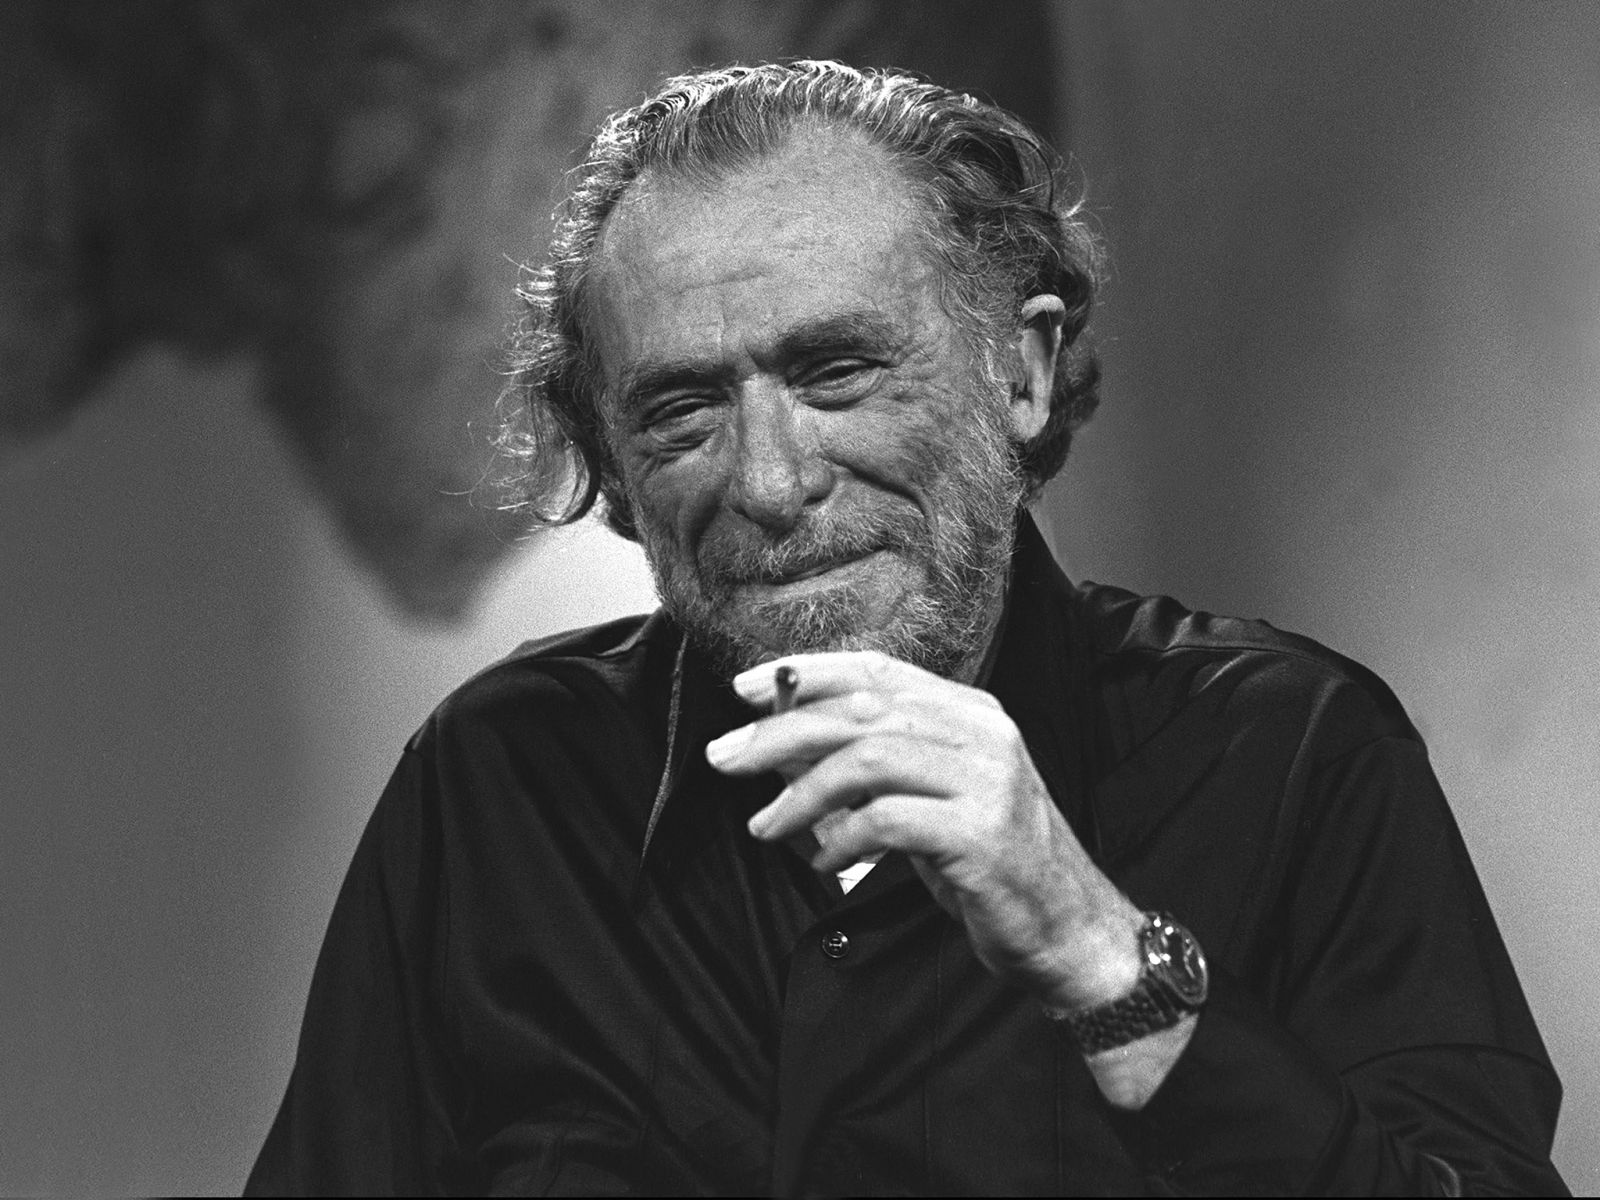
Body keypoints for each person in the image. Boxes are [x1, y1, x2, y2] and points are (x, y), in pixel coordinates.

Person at [247, 61, 1567, 1195]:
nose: (771, 484)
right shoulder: (496, 785)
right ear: (615, 469)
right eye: (682, 412)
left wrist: (1101, 958)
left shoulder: (1289, 754)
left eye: (837, 373)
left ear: (1022, 374)